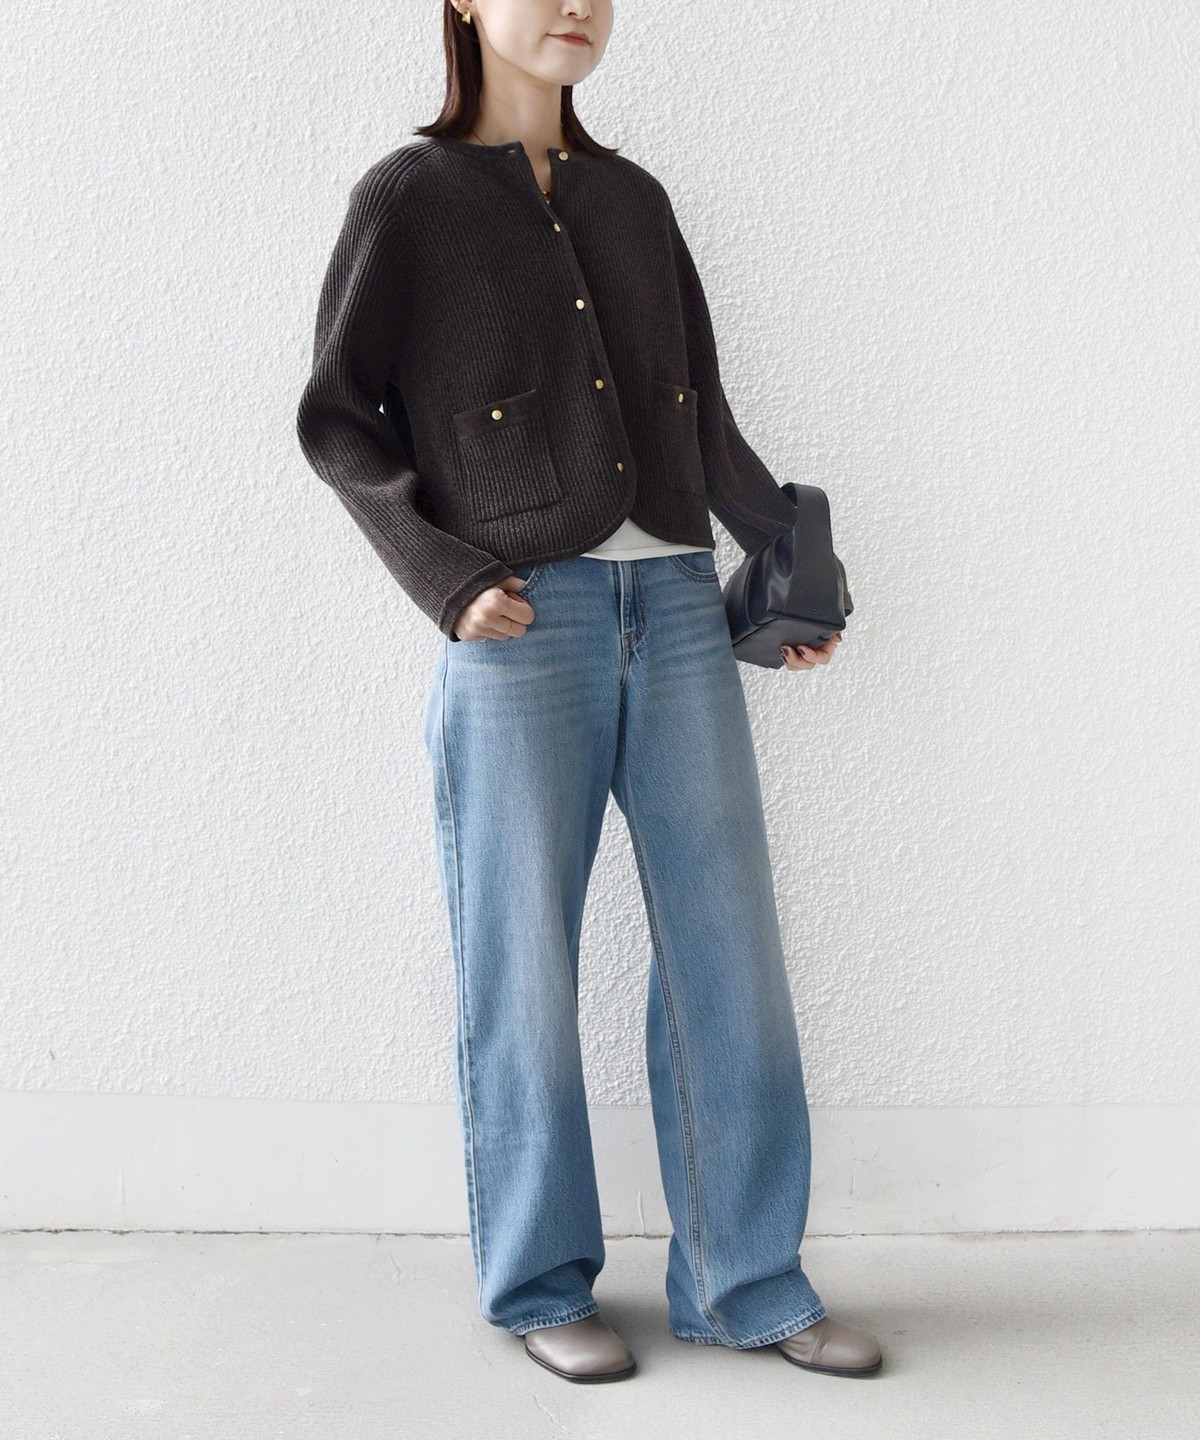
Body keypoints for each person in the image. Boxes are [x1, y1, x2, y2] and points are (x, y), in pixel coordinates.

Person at [296, 0, 880, 1385]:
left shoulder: (635, 201)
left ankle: (747, 1282)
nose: (576, 6)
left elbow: (699, 411)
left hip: (676, 607)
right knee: (521, 964)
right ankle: (537, 1281)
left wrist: (785, 566)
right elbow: (336, 417)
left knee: (730, 958)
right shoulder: (408, 201)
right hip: (518, 625)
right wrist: (442, 574)